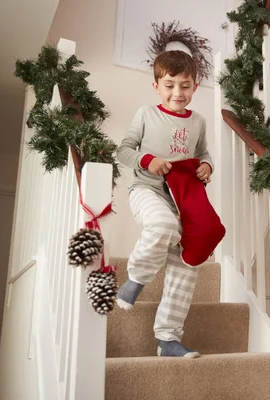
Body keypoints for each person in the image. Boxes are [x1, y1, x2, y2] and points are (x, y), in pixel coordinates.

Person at [115, 50, 213, 358]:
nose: (177, 93)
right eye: (169, 85)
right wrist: (148, 160)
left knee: (188, 262)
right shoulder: (146, 113)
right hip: (147, 189)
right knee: (162, 225)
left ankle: (168, 338)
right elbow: (125, 150)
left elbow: (203, 153)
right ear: (157, 86)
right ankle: (136, 279)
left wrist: (207, 166)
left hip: (183, 199)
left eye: (185, 85)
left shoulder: (198, 122)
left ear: (194, 87)